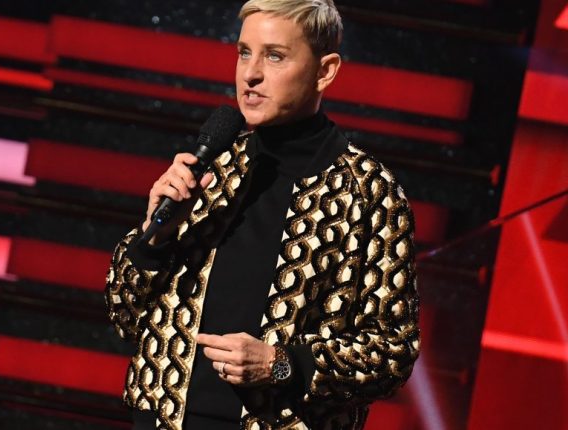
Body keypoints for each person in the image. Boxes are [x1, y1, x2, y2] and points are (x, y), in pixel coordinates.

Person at [104, 1, 419, 429]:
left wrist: (280, 364)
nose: (250, 74)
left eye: (274, 56)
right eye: (244, 52)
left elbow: (392, 352)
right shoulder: (212, 168)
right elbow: (124, 315)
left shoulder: (368, 193)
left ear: (325, 71)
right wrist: (154, 239)